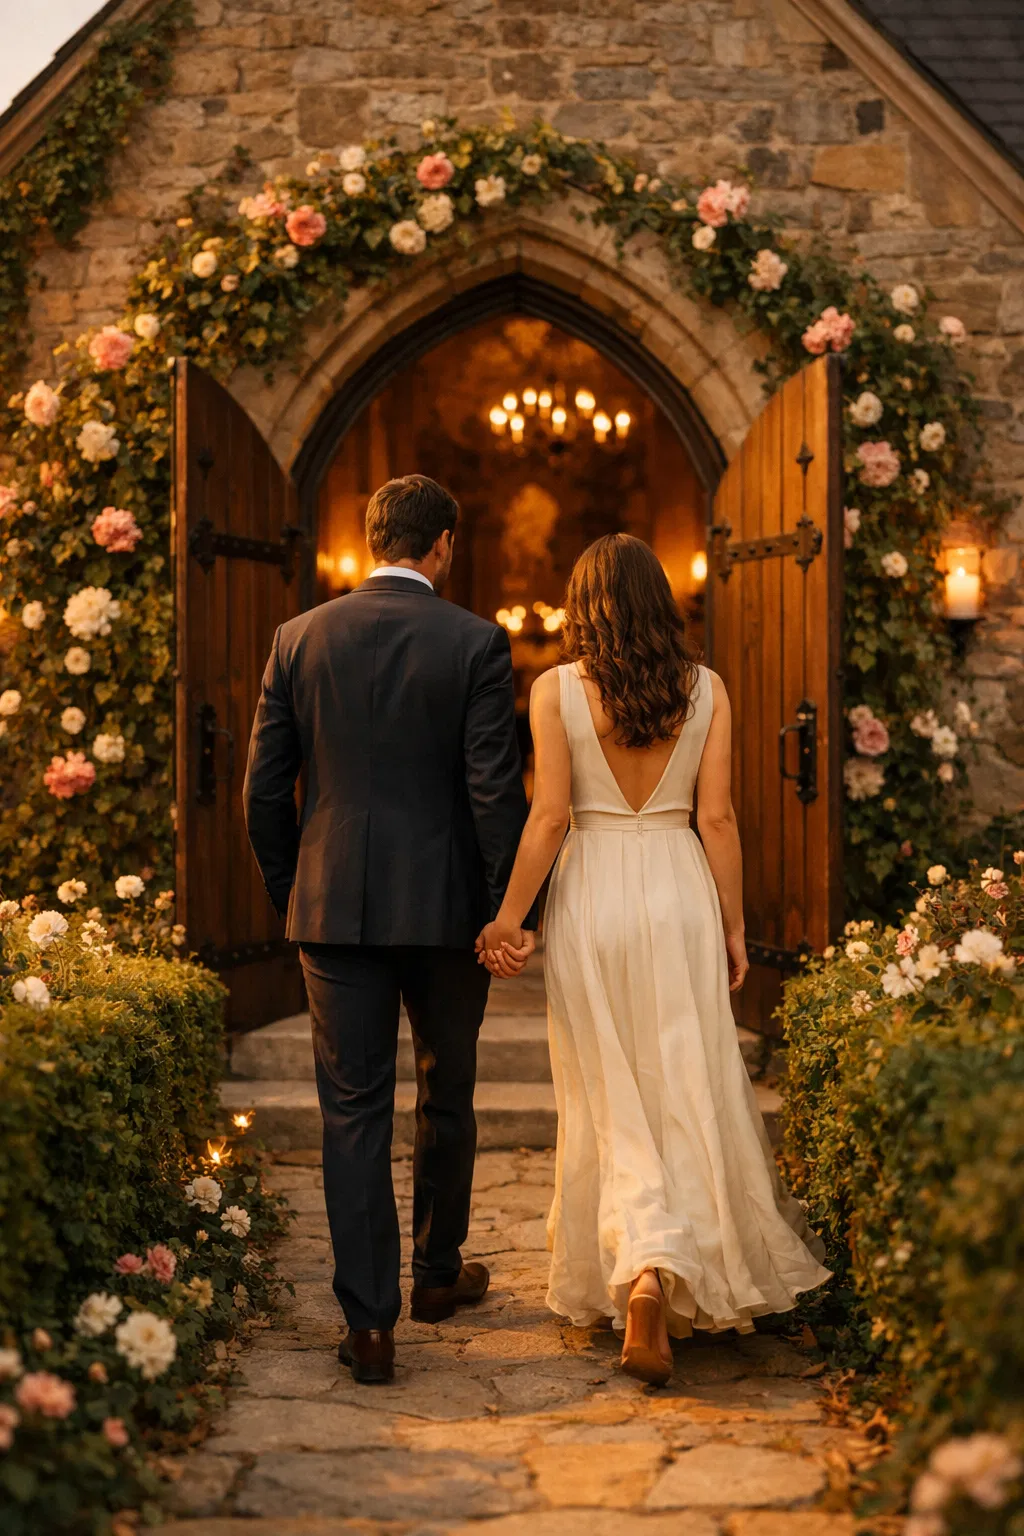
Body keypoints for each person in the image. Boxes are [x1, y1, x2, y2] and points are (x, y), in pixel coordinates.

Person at [477, 533, 830, 1386]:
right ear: (658, 602)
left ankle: (642, 1274)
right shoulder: (706, 690)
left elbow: (550, 818)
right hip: (676, 891)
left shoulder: (554, 690)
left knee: (608, 1090)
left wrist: (508, 918)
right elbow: (719, 821)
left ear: (582, 604)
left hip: (595, 895)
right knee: (685, 1080)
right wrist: (734, 926)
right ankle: (670, 1268)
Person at [243, 473, 535, 1384]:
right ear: (442, 544)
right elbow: (495, 793)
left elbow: (263, 793)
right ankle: (438, 1278)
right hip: (450, 912)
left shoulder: (299, 638)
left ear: (373, 541)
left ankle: (370, 1326)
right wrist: (506, 910)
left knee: (353, 1111)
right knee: (448, 1092)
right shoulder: (477, 642)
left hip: (334, 909)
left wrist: (300, 894)